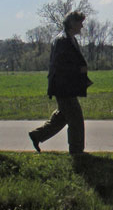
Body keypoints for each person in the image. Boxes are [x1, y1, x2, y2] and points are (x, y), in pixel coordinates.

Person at [28, 11, 92, 154]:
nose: (82, 26)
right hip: (63, 87)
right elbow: (60, 65)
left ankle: (38, 135)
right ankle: (77, 152)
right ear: (72, 23)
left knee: (63, 116)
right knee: (76, 119)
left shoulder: (69, 39)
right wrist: (78, 69)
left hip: (66, 86)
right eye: (80, 23)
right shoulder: (62, 40)